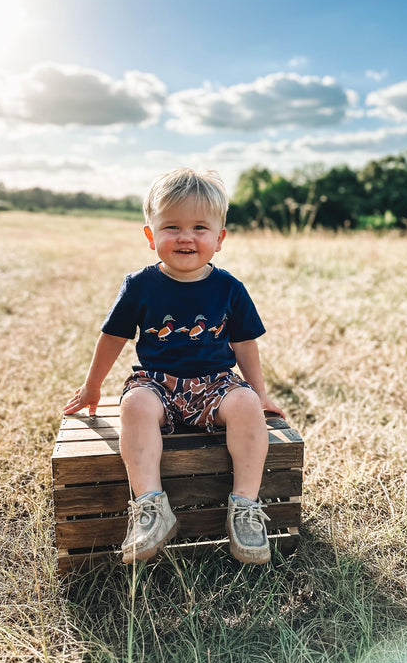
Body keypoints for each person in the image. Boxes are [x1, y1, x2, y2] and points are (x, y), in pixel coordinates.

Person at [64, 168, 285, 564]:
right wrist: (92, 386)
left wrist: (260, 393)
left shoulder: (229, 288)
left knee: (247, 405)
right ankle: (151, 508)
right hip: (157, 383)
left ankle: (245, 508)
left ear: (219, 239)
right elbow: (113, 337)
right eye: (172, 226)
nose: (186, 236)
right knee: (134, 406)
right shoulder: (140, 286)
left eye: (200, 227)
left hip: (215, 384)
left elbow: (244, 343)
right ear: (150, 236)